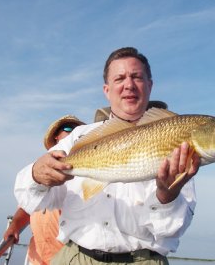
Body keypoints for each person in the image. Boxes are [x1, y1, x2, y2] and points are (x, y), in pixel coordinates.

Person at [14, 47, 200, 265]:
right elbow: (31, 199)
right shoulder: (78, 137)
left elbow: (172, 230)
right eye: (119, 78)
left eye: (137, 77)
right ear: (106, 89)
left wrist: (166, 196)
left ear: (150, 85)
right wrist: (36, 174)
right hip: (76, 257)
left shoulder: (176, 138)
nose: (128, 85)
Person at [4, 115, 85, 265]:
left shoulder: (83, 173)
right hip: (37, 256)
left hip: (66, 257)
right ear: (56, 136)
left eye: (78, 130)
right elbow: (27, 205)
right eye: (69, 128)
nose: (74, 132)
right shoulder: (38, 171)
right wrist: (14, 224)